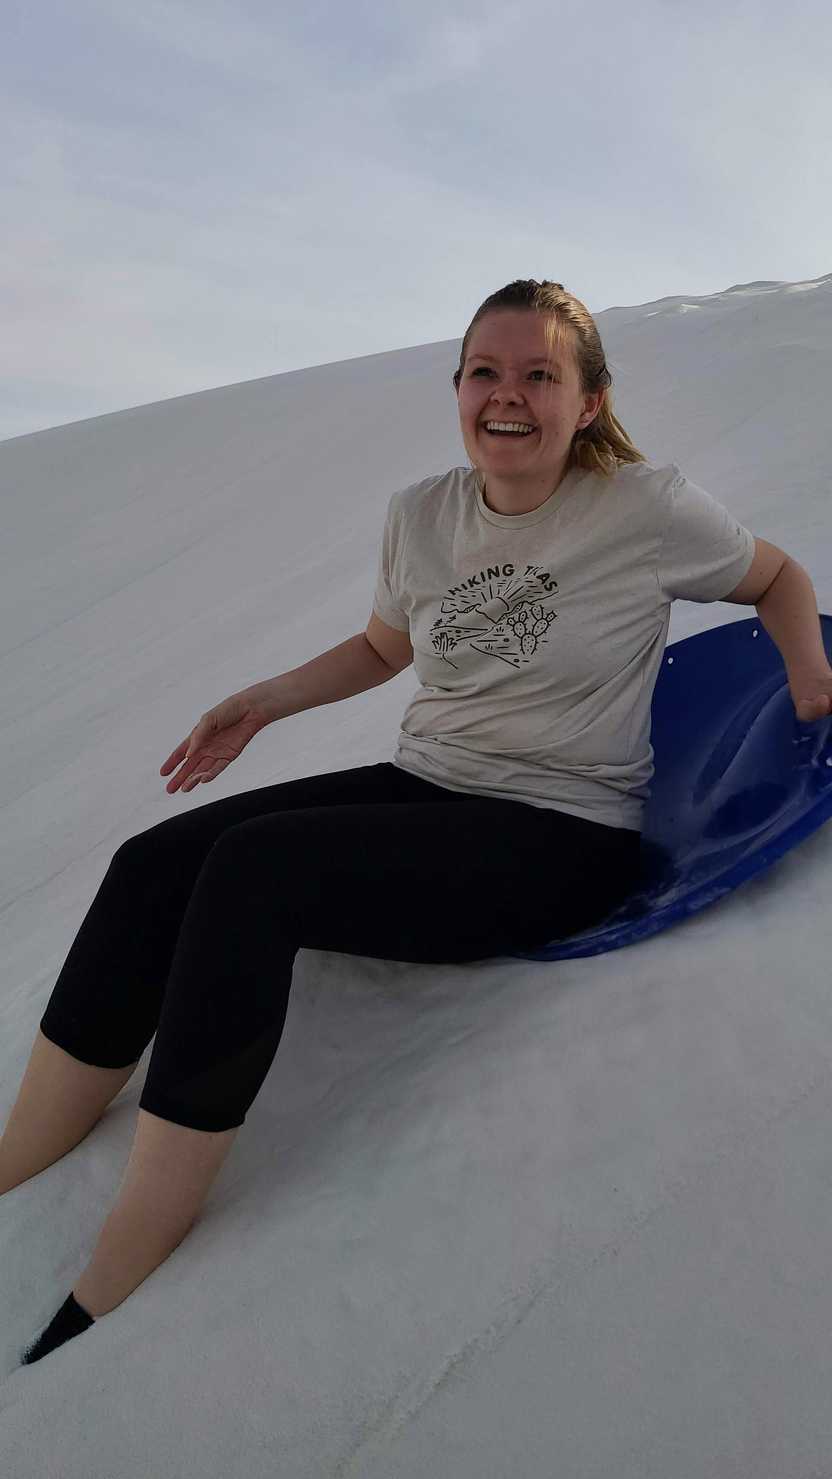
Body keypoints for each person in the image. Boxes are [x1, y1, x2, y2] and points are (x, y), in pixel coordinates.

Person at [7, 277, 796, 1363]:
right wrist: (260, 701)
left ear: (591, 401)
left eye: (538, 375)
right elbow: (386, 649)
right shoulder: (423, 512)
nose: (506, 396)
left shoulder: (644, 508)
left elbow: (778, 578)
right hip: (429, 785)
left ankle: (129, 1245)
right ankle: (22, 1150)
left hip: (562, 834)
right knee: (156, 860)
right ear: (458, 387)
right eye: (485, 371)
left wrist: (809, 678)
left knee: (254, 875)